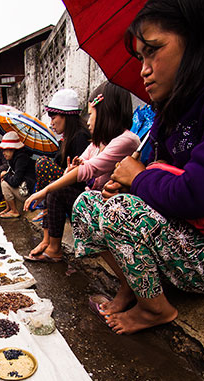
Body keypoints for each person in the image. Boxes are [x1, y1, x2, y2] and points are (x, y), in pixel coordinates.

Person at [71, 0, 204, 334]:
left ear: (194, 44)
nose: (144, 70)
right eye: (140, 58)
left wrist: (138, 177)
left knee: (121, 210)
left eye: (153, 51)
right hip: (178, 236)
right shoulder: (169, 112)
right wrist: (131, 180)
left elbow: (196, 194)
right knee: (87, 204)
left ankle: (156, 310)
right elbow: (160, 175)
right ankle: (132, 286)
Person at [24, 81, 140, 261]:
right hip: (91, 200)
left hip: (105, 205)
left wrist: (45, 190)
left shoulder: (126, 140)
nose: (88, 120)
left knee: (55, 189)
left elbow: (90, 168)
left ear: (105, 113)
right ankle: (51, 243)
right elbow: (82, 164)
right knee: (57, 189)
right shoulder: (97, 142)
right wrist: (71, 169)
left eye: (91, 114)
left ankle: (53, 246)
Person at [31, 88, 91, 224]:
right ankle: (47, 224)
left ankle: (46, 213)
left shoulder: (80, 136)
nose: (51, 123)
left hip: (78, 189)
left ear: (66, 117)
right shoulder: (67, 138)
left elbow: (80, 173)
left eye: (53, 118)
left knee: (43, 164)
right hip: (69, 182)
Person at [0, 132, 36, 218]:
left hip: (28, 193)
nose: (3, 153)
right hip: (24, 188)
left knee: (4, 183)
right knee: (4, 180)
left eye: (6, 150)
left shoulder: (21, 159)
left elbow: (15, 181)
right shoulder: (14, 158)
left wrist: (5, 175)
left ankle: (14, 211)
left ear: (13, 149)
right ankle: (8, 208)